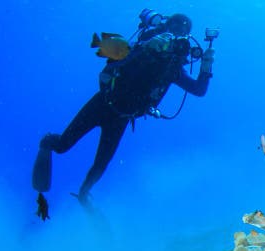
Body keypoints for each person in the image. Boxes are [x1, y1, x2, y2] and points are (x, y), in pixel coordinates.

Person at [32, 11, 216, 220]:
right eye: (174, 29)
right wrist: (145, 47)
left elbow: (199, 90)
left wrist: (206, 66)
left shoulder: (174, 69)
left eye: (183, 32)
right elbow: (113, 62)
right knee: (63, 145)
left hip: (121, 117)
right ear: (165, 28)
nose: (177, 35)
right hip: (102, 103)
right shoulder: (143, 46)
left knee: (101, 164)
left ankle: (84, 195)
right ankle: (47, 144)